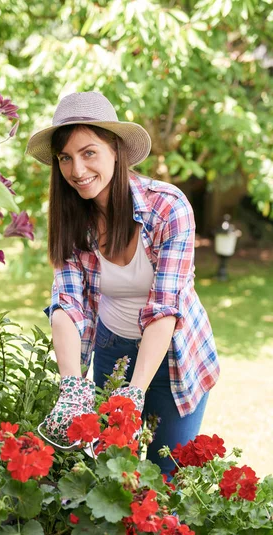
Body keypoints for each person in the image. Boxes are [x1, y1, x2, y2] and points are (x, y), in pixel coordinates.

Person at [26, 91, 220, 475]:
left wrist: (133, 394)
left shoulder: (168, 207)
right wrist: (72, 389)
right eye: (65, 158)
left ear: (115, 149)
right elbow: (67, 302)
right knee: (112, 477)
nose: (77, 169)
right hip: (113, 349)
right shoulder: (71, 217)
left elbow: (166, 308)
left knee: (168, 478)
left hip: (174, 357)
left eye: (89, 152)